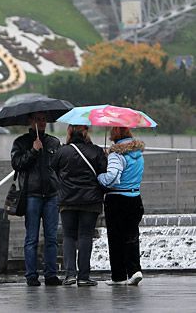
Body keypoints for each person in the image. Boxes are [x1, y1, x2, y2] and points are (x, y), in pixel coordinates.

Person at [11, 111, 62, 286]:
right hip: (32, 195)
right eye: (38, 119)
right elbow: (17, 164)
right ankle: (31, 275)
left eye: (44, 119)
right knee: (31, 238)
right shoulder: (21, 142)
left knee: (51, 238)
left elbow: (60, 166)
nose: (42, 123)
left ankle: (51, 274)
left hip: (51, 196)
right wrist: (33, 150)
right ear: (30, 121)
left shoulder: (54, 142)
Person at [51, 125, 107, 286]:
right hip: (91, 201)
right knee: (85, 236)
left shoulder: (62, 151)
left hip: (67, 201)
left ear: (69, 132)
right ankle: (83, 277)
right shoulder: (96, 151)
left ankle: (70, 275)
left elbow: (53, 169)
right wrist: (104, 156)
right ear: (86, 132)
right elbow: (104, 173)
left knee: (68, 236)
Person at [97, 126, 145, 286]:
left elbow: (112, 178)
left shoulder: (117, 154)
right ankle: (135, 270)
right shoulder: (138, 153)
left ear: (115, 133)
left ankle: (118, 276)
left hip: (117, 200)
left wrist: (99, 177)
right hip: (135, 198)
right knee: (131, 236)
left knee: (116, 238)